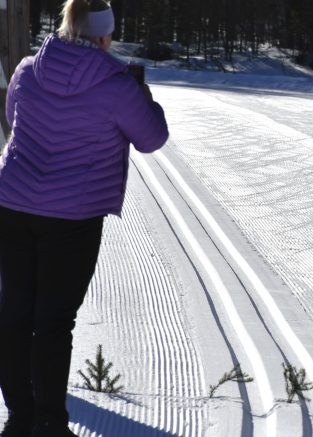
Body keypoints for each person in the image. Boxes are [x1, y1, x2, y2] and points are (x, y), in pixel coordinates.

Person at [0, 0, 168, 435]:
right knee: (53, 323)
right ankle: (51, 424)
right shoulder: (115, 84)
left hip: (13, 207)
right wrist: (146, 98)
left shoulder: (26, 69)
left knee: (14, 315)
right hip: (72, 220)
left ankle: (20, 417)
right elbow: (151, 138)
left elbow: (13, 119)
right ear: (104, 35)